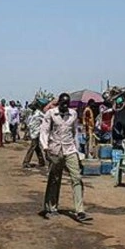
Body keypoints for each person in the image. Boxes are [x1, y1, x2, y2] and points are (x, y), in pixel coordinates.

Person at [39, 93, 91, 223]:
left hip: (70, 149)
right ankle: (51, 207)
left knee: (77, 178)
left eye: (67, 104)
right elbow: (44, 131)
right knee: (54, 179)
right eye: (63, 104)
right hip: (55, 150)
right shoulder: (51, 114)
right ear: (59, 103)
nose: (65, 106)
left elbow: (74, 133)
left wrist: (78, 152)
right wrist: (45, 148)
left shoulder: (73, 114)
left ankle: (80, 210)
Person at [22, 102, 46, 169]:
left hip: (37, 132)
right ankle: (41, 161)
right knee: (37, 147)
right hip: (32, 132)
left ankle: (26, 162)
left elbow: (45, 120)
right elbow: (29, 122)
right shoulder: (32, 113)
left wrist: (42, 128)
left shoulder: (39, 113)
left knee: (32, 147)